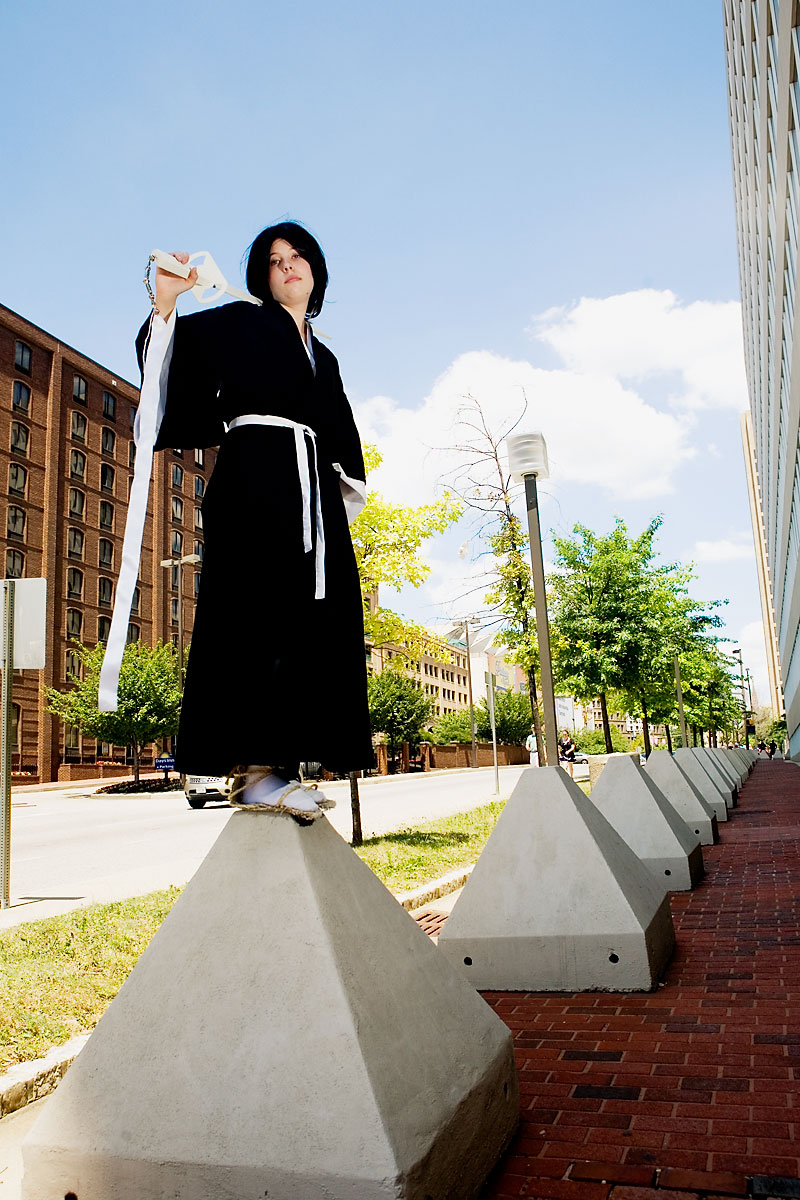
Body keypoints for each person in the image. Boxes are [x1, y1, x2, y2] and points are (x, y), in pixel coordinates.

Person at [112, 222, 373, 822]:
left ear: (315, 270)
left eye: (297, 256)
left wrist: (332, 500)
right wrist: (165, 304)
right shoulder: (239, 321)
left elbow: (339, 433)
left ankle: (283, 768)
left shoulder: (325, 355)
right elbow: (172, 361)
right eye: (275, 260)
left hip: (311, 499)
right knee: (254, 617)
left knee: (311, 624)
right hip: (255, 483)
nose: (288, 266)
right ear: (262, 277)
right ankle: (252, 774)